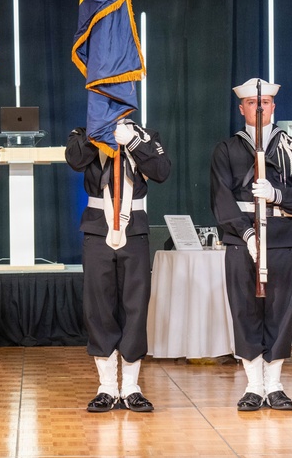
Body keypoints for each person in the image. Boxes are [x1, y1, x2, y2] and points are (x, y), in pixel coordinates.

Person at [209, 78, 292, 412]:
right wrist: (247, 234)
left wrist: (277, 195)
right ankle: (254, 384)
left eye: (265, 103)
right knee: (244, 309)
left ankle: (275, 385)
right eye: (253, 103)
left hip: (280, 236)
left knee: (279, 310)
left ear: (274, 107)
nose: (260, 108)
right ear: (242, 108)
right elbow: (221, 199)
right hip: (241, 240)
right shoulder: (227, 149)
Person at [66, 117, 171, 413]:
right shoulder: (82, 132)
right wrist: (98, 135)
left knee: (135, 306)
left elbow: (162, 171)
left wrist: (134, 142)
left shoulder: (146, 135)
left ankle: (132, 387)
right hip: (97, 228)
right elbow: (75, 159)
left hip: (133, 229)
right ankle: (107, 387)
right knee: (99, 307)